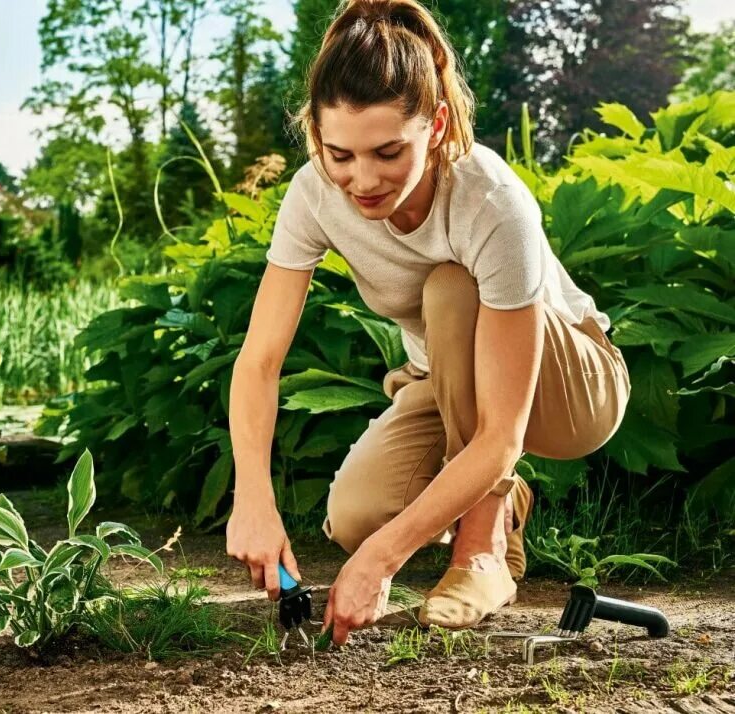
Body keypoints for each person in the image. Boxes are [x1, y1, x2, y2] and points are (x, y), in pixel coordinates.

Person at [225, 0, 630, 647]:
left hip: (574, 384)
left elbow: (501, 433)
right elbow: (260, 360)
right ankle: (500, 507)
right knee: (357, 517)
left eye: (387, 151)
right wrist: (253, 496)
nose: (362, 179)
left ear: (436, 124)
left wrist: (385, 563)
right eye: (340, 154)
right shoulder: (313, 194)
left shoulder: (489, 200)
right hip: (445, 374)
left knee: (448, 286)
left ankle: (482, 549)